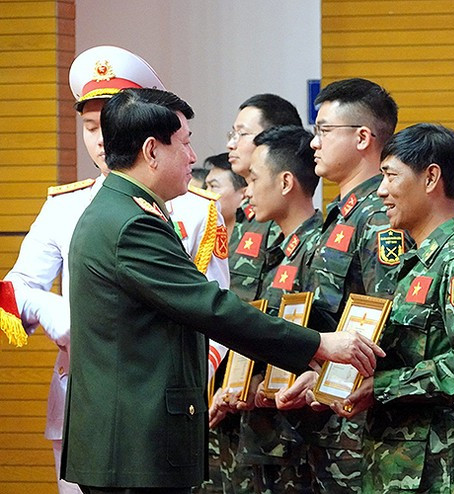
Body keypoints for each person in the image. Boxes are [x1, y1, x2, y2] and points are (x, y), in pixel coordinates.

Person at [61, 87, 384, 493]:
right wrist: (317, 344)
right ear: (151, 150)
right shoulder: (131, 224)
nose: (193, 157)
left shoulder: (120, 209)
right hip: (134, 445)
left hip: (128, 441)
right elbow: (211, 308)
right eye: (185, 143)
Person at [1, 45, 230, 494]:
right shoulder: (62, 206)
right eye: (90, 127)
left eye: (109, 124)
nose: (102, 139)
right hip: (81, 395)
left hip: (163, 404)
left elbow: (216, 308)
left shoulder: (197, 208)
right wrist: (53, 311)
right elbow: (14, 287)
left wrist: (183, 388)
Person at [330, 123, 454, 493]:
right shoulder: (415, 261)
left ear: (431, 177)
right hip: (391, 462)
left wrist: (382, 386)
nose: (382, 191)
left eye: (390, 176)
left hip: (432, 469)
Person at [276, 77, 408, 493]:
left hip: (358, 421)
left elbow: (388, 322)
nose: (314, 143)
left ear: (363, 138)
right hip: (326, 415)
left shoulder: (380, 216)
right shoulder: (340, 215)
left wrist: (329, 380)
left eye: (325, 131)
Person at [204, 94, 305, 494]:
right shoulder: (242, 223)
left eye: (242, 133)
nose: (232, 142)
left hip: (278, 416)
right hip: (232, 407)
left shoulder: (283, 225)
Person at [236, 125, 324, 493]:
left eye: (254, 179)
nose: (248, 190)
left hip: (305, 439)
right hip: (267, 434)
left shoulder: (319, 248)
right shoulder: (277, 250)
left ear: (286, 182)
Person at [226, 94, 303, 301]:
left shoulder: (282, 212)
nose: (231, 144)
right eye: (231, 134)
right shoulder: (246, 209)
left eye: (241, 134)